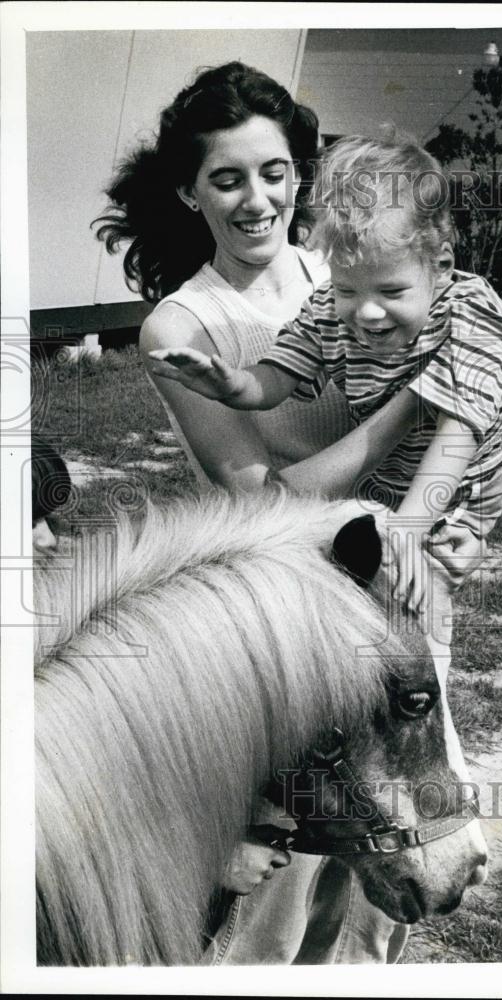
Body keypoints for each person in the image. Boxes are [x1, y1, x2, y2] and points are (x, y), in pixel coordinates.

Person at [94, 62, 423, 965]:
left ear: (301, 174)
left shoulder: (350, 274)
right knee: (274, 892)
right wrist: (407, 409)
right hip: (277, 624)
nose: (255, 199)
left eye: (273, 172)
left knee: (384, 878)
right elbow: (262, 503)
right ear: (188, 191)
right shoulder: (182, 326)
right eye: (227, 178)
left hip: (394, 587)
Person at [149, 133, 502, 654]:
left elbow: (457, 433)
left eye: (392, 292)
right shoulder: (328, 309)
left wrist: (411, 529)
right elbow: (278, 374)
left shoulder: (473, 310)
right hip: (387, 495)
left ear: (439, 263)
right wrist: (232, 384)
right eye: (348, 289)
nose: (366, 312)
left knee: (410, 631)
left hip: (457, 496)